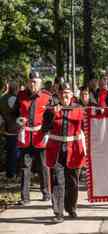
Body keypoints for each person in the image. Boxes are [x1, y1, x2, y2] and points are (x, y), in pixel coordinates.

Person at [42, 82, 86, 223]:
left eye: (67, 93)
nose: (64, 95)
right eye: (62, 93)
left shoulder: (79, 109)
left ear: (72, 95)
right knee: (57, 181)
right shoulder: (51, 110)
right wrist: (53, 114)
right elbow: (44, 129)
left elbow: (87, 128)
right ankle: (58, 212)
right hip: (56, 150)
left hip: (73, 150)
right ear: (58, 95)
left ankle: (71, 208)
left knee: (73, 181)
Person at [15, 71, 51, 205]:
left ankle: (46, 193)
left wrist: (46, 130)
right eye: (31, 81)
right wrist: (19, 121)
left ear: (40, 82)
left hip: (40, 137)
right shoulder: (20, 96)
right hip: (25, 138)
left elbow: (51, 117)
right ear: (27, 82)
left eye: (35, 81)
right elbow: (14, 115)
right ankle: (25, 198)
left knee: (44, 166)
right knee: (25, 168)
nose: (33, 83)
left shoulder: (47, 97)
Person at [0, 80, 20, 179]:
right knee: (14, 152)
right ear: (15, 88)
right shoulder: (13, 99)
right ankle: (12, 173)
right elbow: (17, 114)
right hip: (14, 128)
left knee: (10, 151)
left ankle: (10, 173)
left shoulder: (2, 98)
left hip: (6, 128)